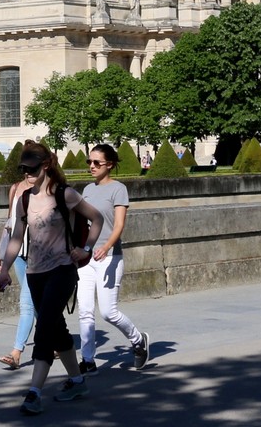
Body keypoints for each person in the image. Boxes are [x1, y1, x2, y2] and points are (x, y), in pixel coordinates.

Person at [0, 140, 106, 416]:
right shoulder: (24, 199)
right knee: (56, 329)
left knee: (44, 328)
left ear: (45, 166)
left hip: (62, 270)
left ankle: (34, 392)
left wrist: (86, 249)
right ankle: (77, 382)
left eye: (32, 169)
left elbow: (97, 218)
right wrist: (5, 268)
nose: (27, 174)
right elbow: (16, 237)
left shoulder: (65, 194)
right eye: (24, 169)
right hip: (35, 273)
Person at [76, 144, 151, 372]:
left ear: (109, 164)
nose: (91, 166)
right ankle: (88, 360)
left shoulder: (118, 189)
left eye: (96, 162)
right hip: (86, 257)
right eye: (89, 162)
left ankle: (138, 340)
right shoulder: (87, 190)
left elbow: (119, 225)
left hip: (109, 257)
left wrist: (106, 246)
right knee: (85, 310)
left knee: (108, 312)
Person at [0, 171, 37, 369]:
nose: (29, 170)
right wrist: (0, 253)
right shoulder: (16, 189)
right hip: (18, 254)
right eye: (25, 165)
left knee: (26, 304)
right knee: (35, 304)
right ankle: (56, 342)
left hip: (39, 257)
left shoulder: (49, 191)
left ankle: (16, 352)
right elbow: (9, 223)